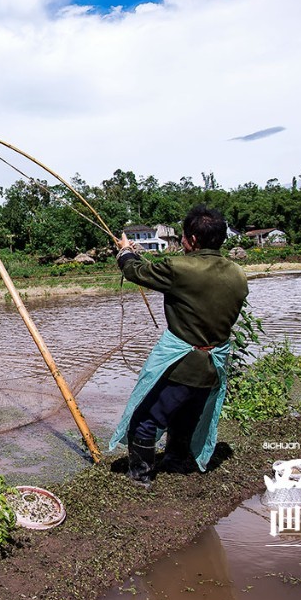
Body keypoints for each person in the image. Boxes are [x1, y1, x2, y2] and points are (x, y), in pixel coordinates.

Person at [108, 204, 248, 486]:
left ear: (193, 240)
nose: (182, 241)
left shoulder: (179, 268)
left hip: (182, 364)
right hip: (213, 366)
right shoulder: (237, 274)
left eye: (184, 236)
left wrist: (125, 251)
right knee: (185, 417)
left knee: (144, 421)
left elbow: (136, 271)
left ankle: (141, 476)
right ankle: (177, 461)